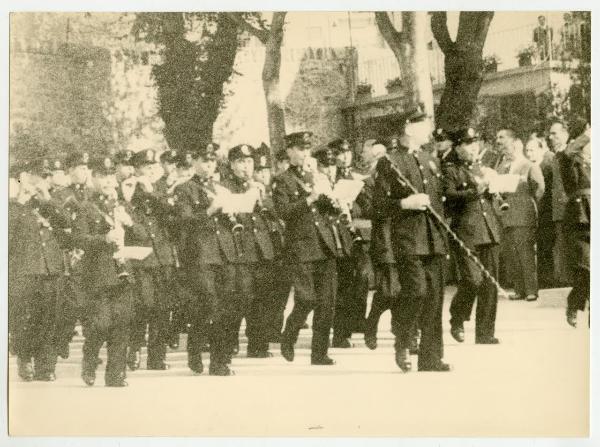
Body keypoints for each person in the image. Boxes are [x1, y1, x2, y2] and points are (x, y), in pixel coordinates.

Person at [373, 105, 450, 372]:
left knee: (435, 298)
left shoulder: (430, 158)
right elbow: (379, 206)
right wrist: (404, 203)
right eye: (423, 124)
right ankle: (403, 341)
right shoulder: (390, 162)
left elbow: (440, 200)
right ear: (408, 127)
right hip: (407, 239)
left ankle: (431, 357)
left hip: (434, 238)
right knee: (416, 292)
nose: (429, 129)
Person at [273, 131, 352, 366]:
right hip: (302, 246)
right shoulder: (283, 179)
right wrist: (309, 199)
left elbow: (329, 210)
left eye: (307, 149)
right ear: (289, 151)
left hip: (325, 244)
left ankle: (319, 353)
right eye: (299, 149)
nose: (304, 153)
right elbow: (283, 212)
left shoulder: (317, 177)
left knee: (327, 303)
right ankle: (290, 333)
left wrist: (335, 199)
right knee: (306, 299)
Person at [174, 142, 238, 376]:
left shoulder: (221, 187)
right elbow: (184, 221)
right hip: (200, 254)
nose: (209, 165)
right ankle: (205, 354)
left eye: (212, 161)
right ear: (194, 162)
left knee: (225, 305)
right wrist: (211, 210)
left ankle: (212, 356)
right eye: (204, 161)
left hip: (223, 253)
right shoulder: (185, 189)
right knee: (210, 305)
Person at [73, 157, 135, 387]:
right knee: (100, 323)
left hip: (123, 270)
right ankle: (89, 362)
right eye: (104, 177)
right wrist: (104, 238)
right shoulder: (86, 207)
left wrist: (129, 224)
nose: (109, 182)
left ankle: (116, 375)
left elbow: (141, 235)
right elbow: (77, 238)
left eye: (112, 177)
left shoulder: (122, 206)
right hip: (99, 272)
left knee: (122, 324)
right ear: (95, 178)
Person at [9, 159, 72, 382]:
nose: (42, 180)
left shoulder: (47, 202)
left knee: (50, 318)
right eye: (37, 176)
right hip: (25, 270)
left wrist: (47, 200)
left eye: (45, 176)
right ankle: (25, 359)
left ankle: (46, 365)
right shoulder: (12, 204)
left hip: (51, 268)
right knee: (26, 319)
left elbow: (66, 222)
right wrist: (19, 201)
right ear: (25, 177)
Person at [443, 128, 502, 344]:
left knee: (490, 283)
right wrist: (477, 189)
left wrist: (496, 185)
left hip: (488, 228)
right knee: (472, 279)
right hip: (466, 230)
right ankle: (457, 317)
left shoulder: (481, 168)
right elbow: (449, 196)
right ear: (457, 148)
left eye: (475, 142)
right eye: (467, 144)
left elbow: (490, 198)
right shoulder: (450, 170)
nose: (473, 147)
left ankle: (485, 333)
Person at [125, 149, 178, 370]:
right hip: (140, 256)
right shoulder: (126, 188)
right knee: (144, 305)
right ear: (136, 169)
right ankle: (134, 347)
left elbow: (170, 213)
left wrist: (152, 193)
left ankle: (157, 356)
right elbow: (122, 214)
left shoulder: (159, 188)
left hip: (162, 255)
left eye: (152, 166)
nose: (150, 170)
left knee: (162, 307)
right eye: (146, 167)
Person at [221, 144, 274, 358]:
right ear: (232, 165)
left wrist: (262, 197)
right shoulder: (225, 186)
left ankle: (258, 344)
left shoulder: (258, 185)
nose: (246, 166)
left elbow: (271, 214)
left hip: (260, 249)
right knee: (240, 296)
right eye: (242, 162)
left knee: (262, 296)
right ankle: (231, 340)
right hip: (239, 249)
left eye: (250, 162)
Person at [329, 138, 372, 347]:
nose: (345, 156)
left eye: (347, 153)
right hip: (338, 236)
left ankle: (357, 320)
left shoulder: (356, 177)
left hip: (356, 234)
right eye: (340, 153)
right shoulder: (329, 177)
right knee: (344, 284)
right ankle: (340, 332)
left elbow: (368, 205)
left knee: (362, 277)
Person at [495, 129, 545, 301]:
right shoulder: (501, 166)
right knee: (510, 253)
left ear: (515, 143)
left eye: (502, 139)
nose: (499, 143)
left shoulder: (529, 165)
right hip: (505, 215)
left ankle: (531, 289)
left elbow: (539, 188)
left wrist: (527, 204)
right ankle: (519, 288)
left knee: (525, 252)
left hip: (523, 215)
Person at [253, 144, 291, 343]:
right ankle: (260, 333)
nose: (262, 175)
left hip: (281, 246)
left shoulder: (277, 189)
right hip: (261, 249)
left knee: (281, 289)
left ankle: (276, 328)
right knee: (262, 292)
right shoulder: (251, 192)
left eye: (265, 170)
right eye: (258, 171)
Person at [558, 119, 590, 327]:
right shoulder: (568, 157)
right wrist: (588, 134)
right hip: (580, 214)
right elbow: (569, 151)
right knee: (587, 268)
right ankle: (574, 302)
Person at [525, 134, 555, 288]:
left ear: (541, 149)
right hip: (535, 211)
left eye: (532, 150)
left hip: (547, 211)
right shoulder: (529, 166)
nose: (529, 154)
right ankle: (541, 279)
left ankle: (547, 280)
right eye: (527, 151)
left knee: (546, 246)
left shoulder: (548, 164)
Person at [547, 121, 570, 286]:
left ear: (565, 134)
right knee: (562, 245)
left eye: (555, 133)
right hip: (559, 209)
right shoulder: (555, 155)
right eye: (550, 134)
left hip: (571, 208)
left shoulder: (570, 153)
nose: (551, 137)